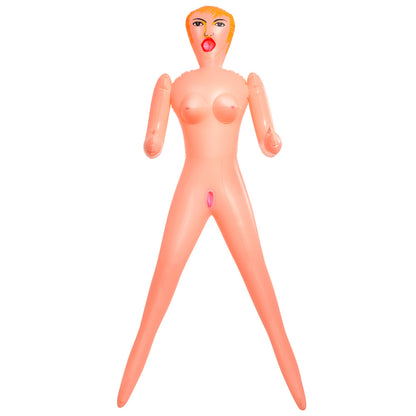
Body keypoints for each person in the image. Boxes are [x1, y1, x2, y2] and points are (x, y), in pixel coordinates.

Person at [117, 6, 306, 410]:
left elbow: (267, 138)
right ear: (189, 33)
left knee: (261, 281)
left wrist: (273, 141)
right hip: (192, 184)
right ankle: (127, 381)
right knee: (163, 278)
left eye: (218, 24)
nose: (208, 32)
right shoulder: (171, 85)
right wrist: (151, 143)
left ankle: (295, 382)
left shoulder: (247, 84)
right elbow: (153, 141)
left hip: (229, 186)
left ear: (229, 35)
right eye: (198, 24)